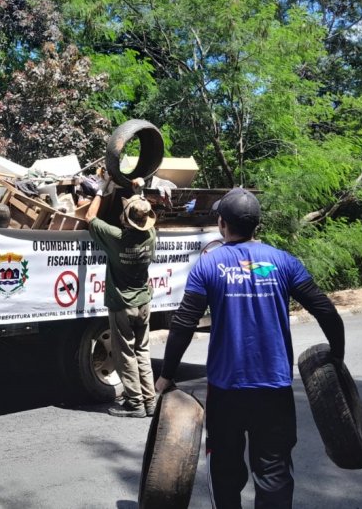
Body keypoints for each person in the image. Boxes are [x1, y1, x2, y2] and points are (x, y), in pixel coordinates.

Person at [155, 188, 345, 509]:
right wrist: (336, 358)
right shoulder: (284, 261)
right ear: (256, 226)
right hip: (274, 391)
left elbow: (184, 323)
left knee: (225, 471)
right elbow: (325, 310)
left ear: (221, 224)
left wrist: (166, 375)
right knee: (273, 474)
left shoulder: (208, 266)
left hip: (226, 392)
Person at [85, 173, 158, 418]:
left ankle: (135, 404)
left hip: (123, 305)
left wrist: (100, 190)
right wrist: (140, 191)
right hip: (144, 303)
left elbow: (90, 217)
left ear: (125, 219)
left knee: (126, 353)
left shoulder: (117, 238)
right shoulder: (150, 237)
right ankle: (150, 402)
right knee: (142, 352)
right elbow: (142, 213)